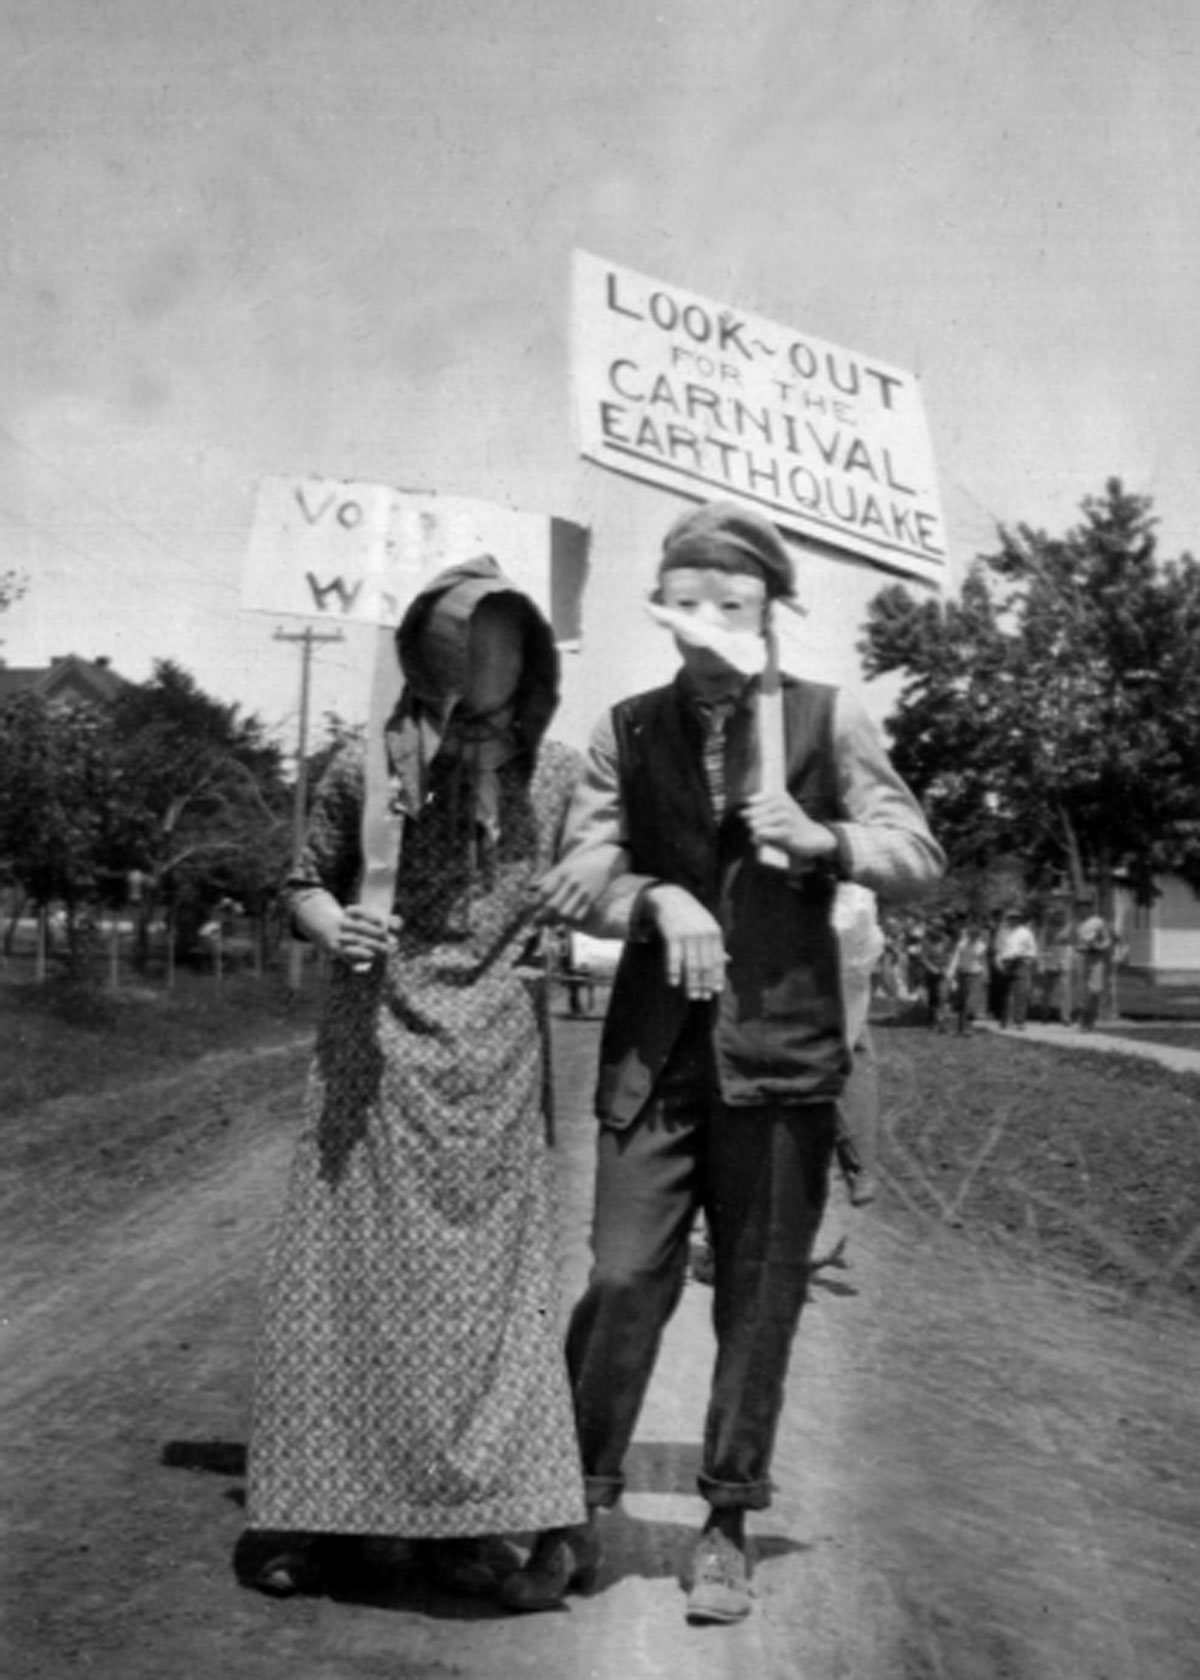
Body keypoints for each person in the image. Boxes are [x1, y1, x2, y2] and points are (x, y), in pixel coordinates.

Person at [503, 500, 944, 1624]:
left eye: (730, 606)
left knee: (759, 1301)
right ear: (663, 612)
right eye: (685, 605)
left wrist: (826, 839)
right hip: (656, 1060)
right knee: (619, 1278)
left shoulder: (829, 719)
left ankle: (727, 1524)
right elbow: (587, 861)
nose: (705, 628)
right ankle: (573, 1510)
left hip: (784, 1061)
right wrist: (653, 894)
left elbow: (917, 851)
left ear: (768, 612)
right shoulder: (628, 727)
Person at [235, 557, 603, 1605]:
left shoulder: (565, 778)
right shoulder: (364, 768)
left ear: (533, 657)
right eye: (469, 640)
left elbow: (609, 880)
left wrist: (617, 899)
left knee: (479, 1301)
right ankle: (313, 1519)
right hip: (373, 1050)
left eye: (511, 642)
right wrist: (329, 921)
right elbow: (300, 882)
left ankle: (455, 1521)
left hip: (491, 1064)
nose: (490, 661)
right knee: (344, 1281)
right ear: (426, 651)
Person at [994, 908, 1039, 1029]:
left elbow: (1033, 949)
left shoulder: (1026, 932)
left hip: (1021, 962)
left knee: (1022, 993)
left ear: (1019, 919)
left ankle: (1019, 1020)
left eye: (1015, 918)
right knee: (1005, 993)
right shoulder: (1002, 932)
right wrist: (998, 962)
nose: (1013, 920)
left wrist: (1028, 961)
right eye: (1010, 917)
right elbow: (998, 949)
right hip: (1006, 962)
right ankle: (1005, 1019)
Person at [946, 916, 988, 1034]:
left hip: (976, 975)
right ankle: (961, 1027)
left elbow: (983, 961)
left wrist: (985, 975)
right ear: (968, 934)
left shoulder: (981, 946)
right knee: (962, 1001)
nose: (973, 937)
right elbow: (955, 958)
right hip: (963, 974)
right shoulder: (961, 944)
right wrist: (951, 972)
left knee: (971, 1002)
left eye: (975, 935)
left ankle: (968, 1026)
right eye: (971, 934)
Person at [1075, 903, 1113, 1031]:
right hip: (1082, 956)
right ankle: (1083, 1021)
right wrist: (1081, 946)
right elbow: (1076, 942)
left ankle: (1091, 1019)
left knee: (1095, 990)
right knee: (1082, 992)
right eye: (1080, 908)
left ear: (1090, 908)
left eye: (1085, 906)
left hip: (1096, 957)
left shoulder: (1098, 922)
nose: (1082, 910)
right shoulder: (1079, 924)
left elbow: (1107, 940)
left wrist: (1099, 946)